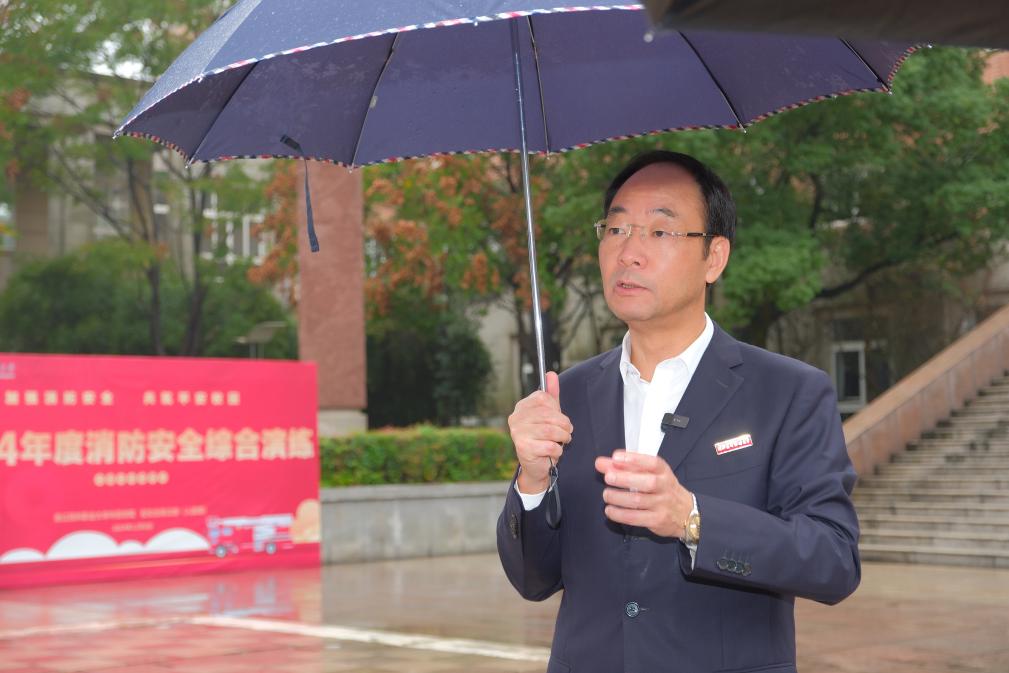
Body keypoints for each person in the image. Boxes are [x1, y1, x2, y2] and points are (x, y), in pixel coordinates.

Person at [497, 150, 860, 673]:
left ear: (715, 257)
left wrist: (693, 519)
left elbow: (833, 560)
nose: (629, 252)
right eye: (616, 229)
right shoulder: (564, 397)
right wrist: (532, 483)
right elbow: (533, 580)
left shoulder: (788, 392)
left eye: (660, 231)